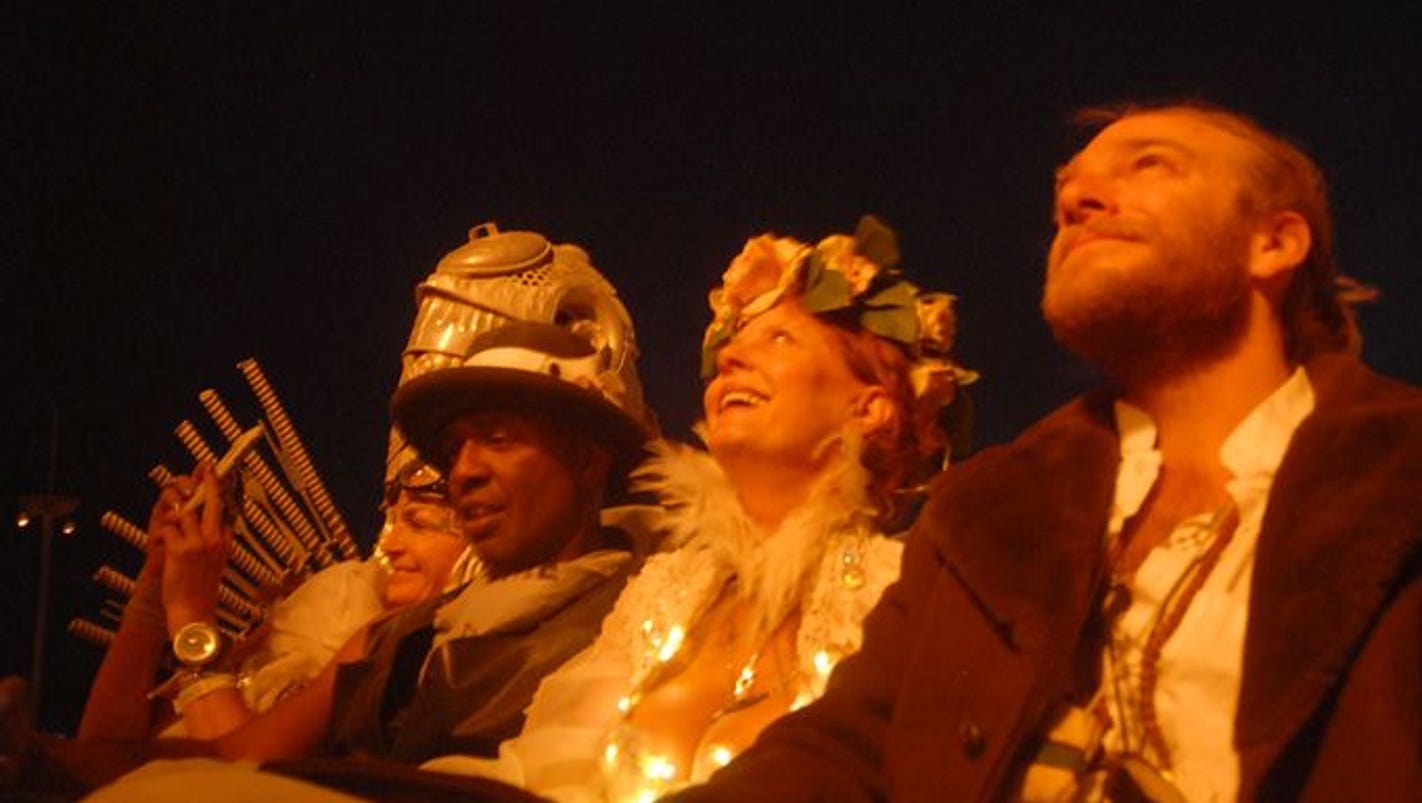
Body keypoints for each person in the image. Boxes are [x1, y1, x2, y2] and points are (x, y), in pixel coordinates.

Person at [677, 102, 1422, 802]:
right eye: (1068, 189)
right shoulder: (982, 518)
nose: (1077, 201)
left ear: (1275, 242)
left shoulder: (1401, 479)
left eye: (1150, 165)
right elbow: (843, 749)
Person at [423, 216, 974, 802]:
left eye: (780, 338)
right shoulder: (662, 594)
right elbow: (538, 773)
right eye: (735, 340)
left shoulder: (904, 598)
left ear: (871, 409)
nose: (732, 355)